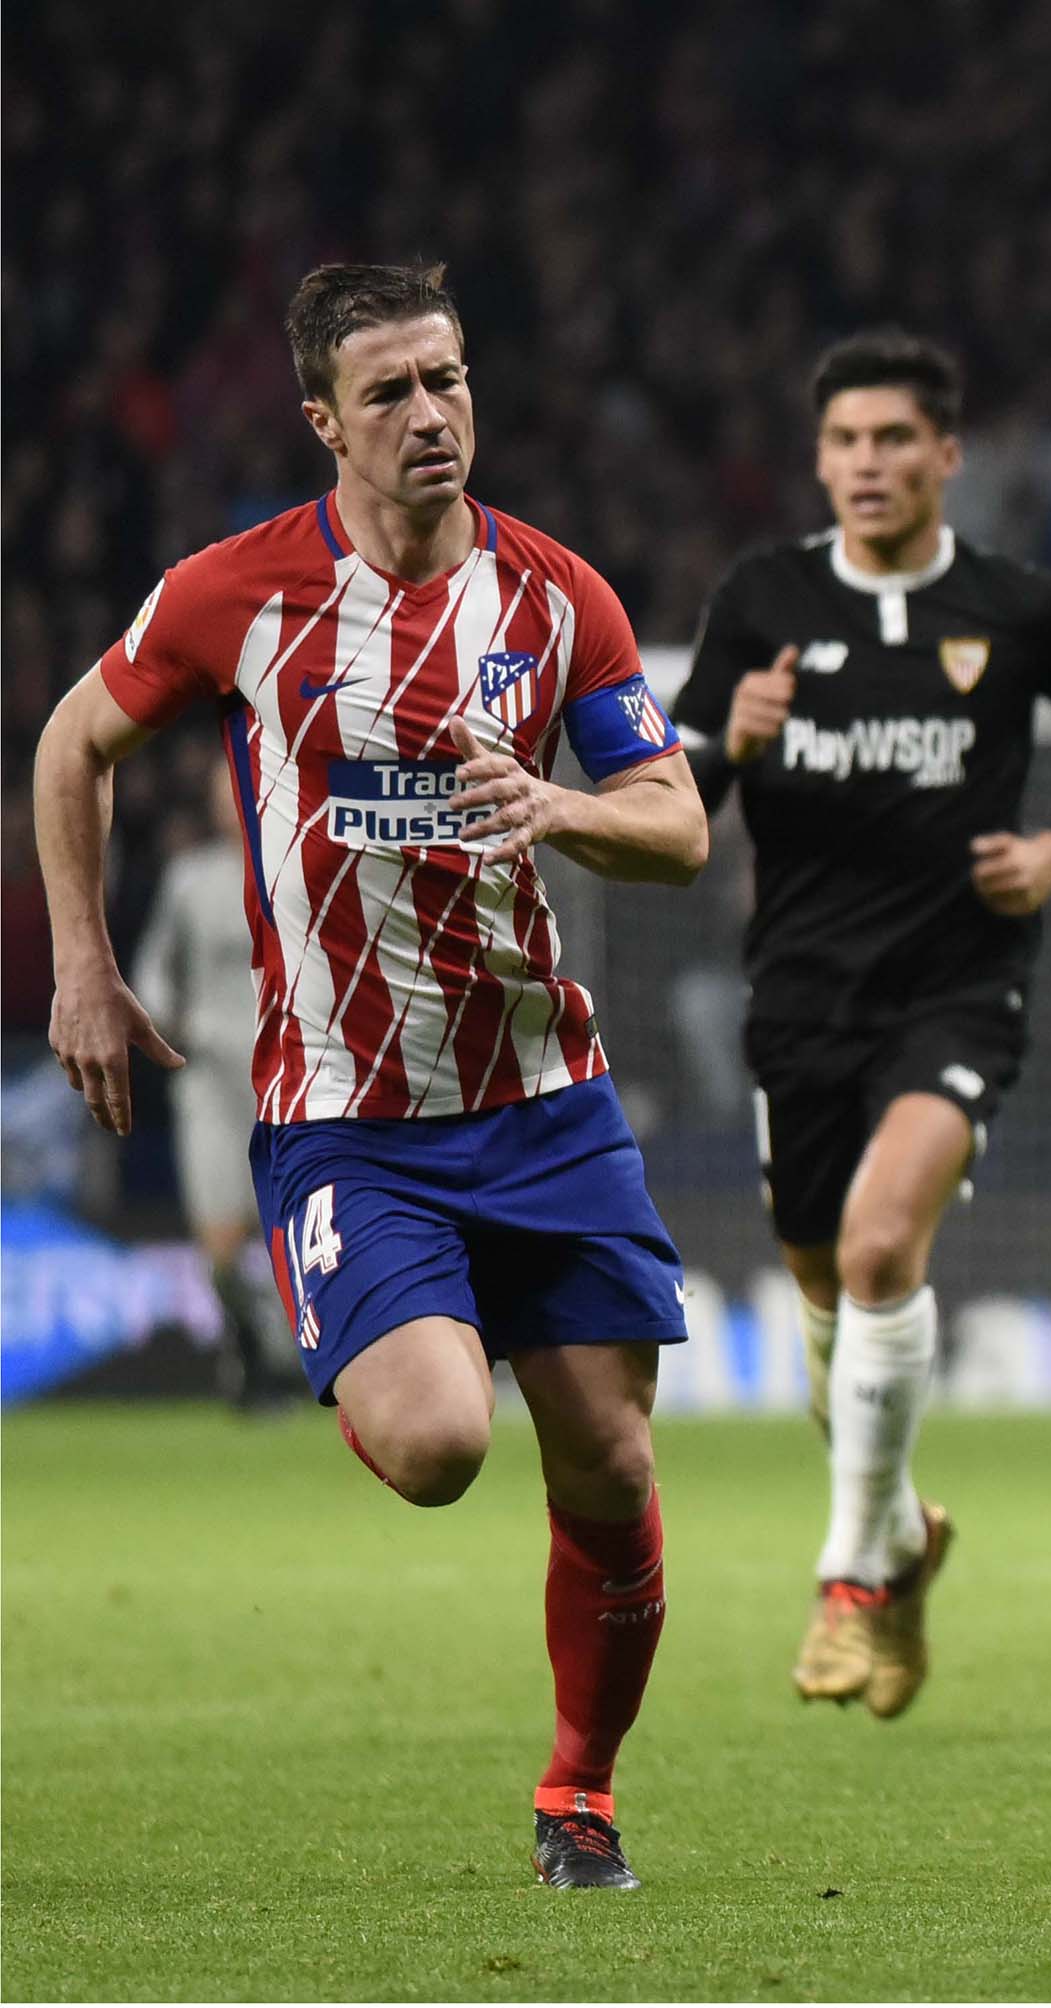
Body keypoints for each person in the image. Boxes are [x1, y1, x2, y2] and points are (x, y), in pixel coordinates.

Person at [33, 263, 709, 1890]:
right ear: (324, 419)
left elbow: (679, 825)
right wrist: (84, 963)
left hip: (546, 1098)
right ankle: (373, 1328)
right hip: (350, 1116)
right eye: (392, 390)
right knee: (436, 1444)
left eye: (450, 379)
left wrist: (563, 806)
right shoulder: (239, 594)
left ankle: (580, 1793)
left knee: (610, 1464)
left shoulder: (556, 603)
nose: (432, 414)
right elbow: (72, 741)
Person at [673, 330, 1051, 1717]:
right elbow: (676, 802)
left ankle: (849, 1577)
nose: (867, 465)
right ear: (816, 463)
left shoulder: (1021, 609)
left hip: (961, 982)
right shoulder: (760, 602)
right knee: (828, 1297)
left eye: (893, 440)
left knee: (884, 1250)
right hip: (804, 999)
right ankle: (899, 1538)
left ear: (948, 455)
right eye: (844, 443)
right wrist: (730, 748)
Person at [129, 782, 303, 1407]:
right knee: (219, 1230)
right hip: (208, 1074)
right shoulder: (190, 880)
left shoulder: (296, 864)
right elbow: (154, 967)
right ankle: (247, 1362)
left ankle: (290, 1359)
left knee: (288, 1225)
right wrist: (163, 1018)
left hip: (285, 1071)